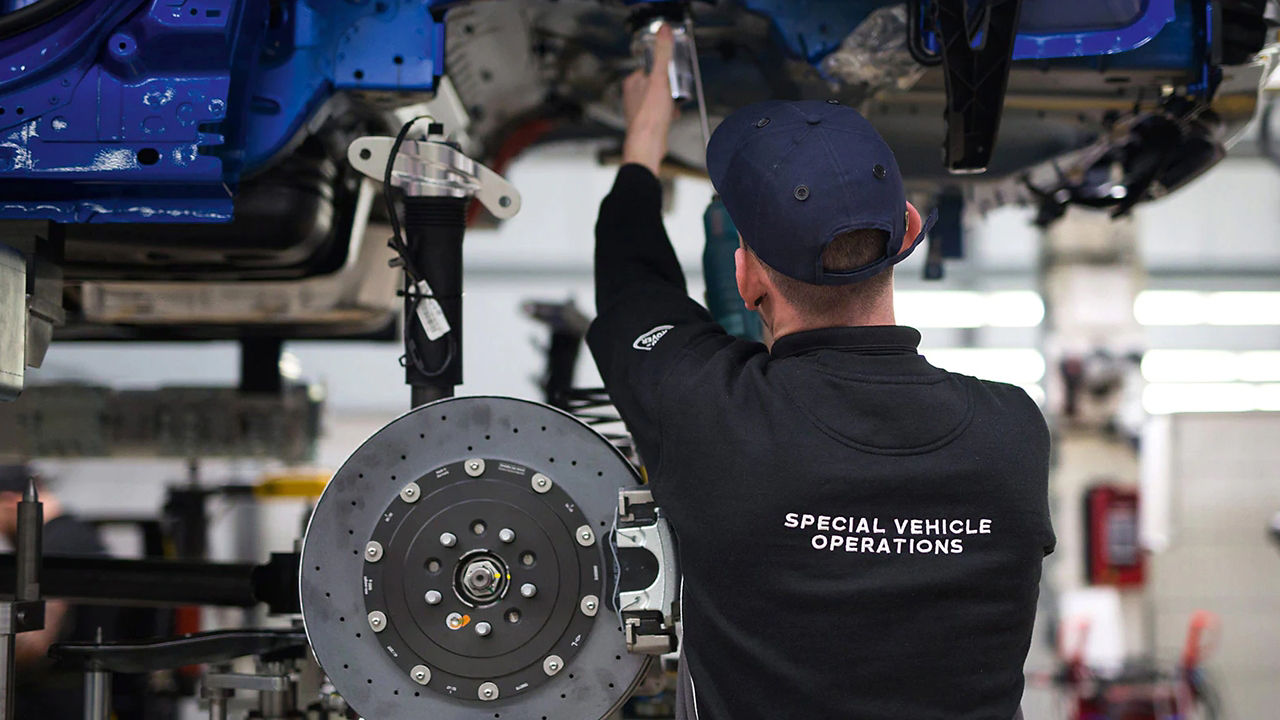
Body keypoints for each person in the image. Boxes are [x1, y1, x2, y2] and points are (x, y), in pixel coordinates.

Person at [588, 26, 1054, 720]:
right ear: (908, 226)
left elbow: (629, 276)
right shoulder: (1014, 431)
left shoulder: (711, 417)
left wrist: (647, 128)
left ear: (746, 279)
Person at [0, 465, 125, 719]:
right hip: (84, 695)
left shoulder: (51, 548)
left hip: (53, 704)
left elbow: (34, 643)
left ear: (10, 501)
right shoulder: (78, 536)